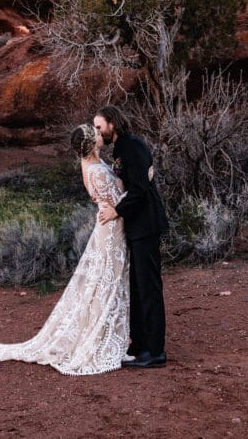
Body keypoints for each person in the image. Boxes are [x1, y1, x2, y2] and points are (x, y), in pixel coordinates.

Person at [0, 124, 130, 375]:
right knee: (107, 280)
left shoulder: (92, 165)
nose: (100, 134)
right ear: (91, 143)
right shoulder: (95, 170)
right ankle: (100, 335)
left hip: (108, 227)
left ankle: (110, 329)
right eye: (95, 133)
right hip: (112, 228)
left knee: (103, 281)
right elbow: (119, 198)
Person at [95, 105, 169, 369]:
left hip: (146, 224)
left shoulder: (131, 146)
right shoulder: (121, 148)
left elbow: (140, 189)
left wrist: (117, 211)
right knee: (137, 288)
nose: (97, 132)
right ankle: (139, 344)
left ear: (112, 123)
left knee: (149, 288)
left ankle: (156, 351)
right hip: (136, 227)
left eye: (99, 126)